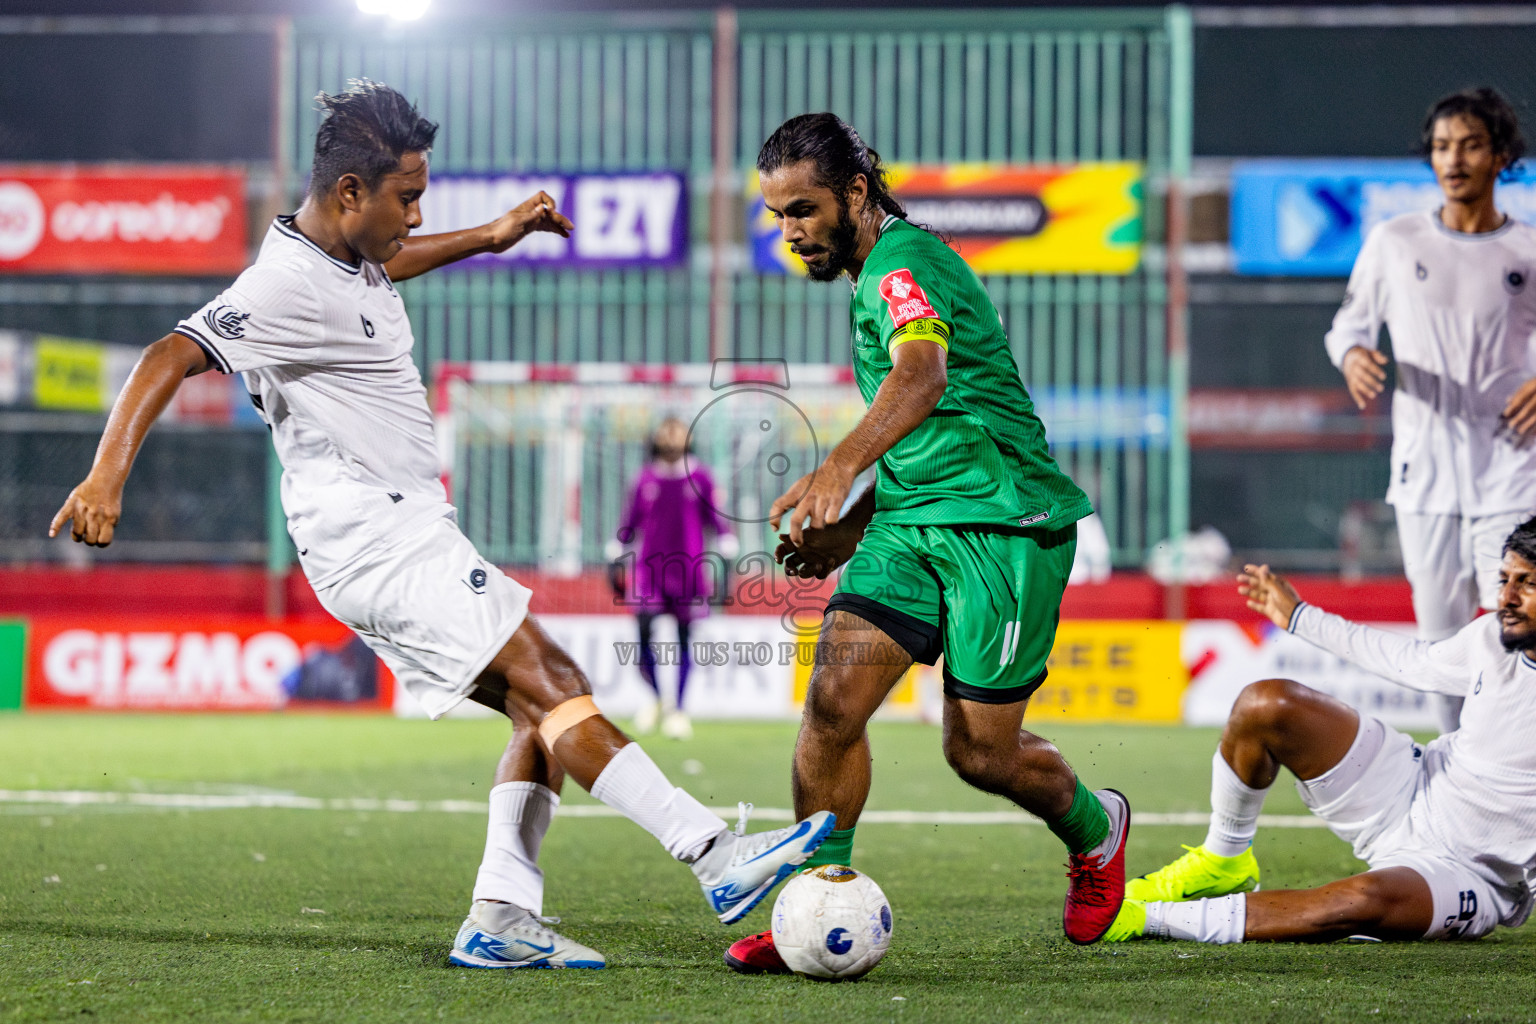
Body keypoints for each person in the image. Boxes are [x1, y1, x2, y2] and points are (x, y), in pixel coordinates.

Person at [49, 81, 833, 970]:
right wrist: (105, 477)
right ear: (351, 192)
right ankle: (713, 855)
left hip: (397, 532)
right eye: (408, 198)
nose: (417, 217)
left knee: (539, 709)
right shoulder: (280, 285)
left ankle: (500, 916)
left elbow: (387, 268)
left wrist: (494, 236)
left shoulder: (345, 257)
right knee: (553, 677)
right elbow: (169, 353)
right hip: (377, 539)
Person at [723, 113, 1130, 974]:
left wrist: (836, 469)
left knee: (980, 754)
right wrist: (857, 521)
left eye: (803, 210)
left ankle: (1099, 832)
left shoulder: (904, 262)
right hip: (910, 525)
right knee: (833, 702)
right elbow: (928, 432)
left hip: (1004, 526)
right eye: (778, 217)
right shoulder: (871, 274)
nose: (791, 232)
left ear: (856, 193)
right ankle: (815, 898)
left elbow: (923, 375)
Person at [1107, 516, 1536, 945]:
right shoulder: (1490, 638)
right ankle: (1224, 858)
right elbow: (1409, 660)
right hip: (1411, 788)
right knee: (1267, 705)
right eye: (1504, 579)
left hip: (1471, 876)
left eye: (1526, 583)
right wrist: (1299, 616)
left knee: (1358, 903)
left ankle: (1146, 918)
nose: (1507, 598)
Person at [1325, 87, 1536, 733]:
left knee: (1520, 622)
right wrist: (1354, 355)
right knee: (1440, 639)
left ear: (1500, 154)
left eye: (1471, 144)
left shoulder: (1527, 251)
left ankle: (1519, 759)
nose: (1455, 158)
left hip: (1512, 468)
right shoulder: (1395, 241)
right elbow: (1346, 327)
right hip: (1424, 473)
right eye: (1443, 146)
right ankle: (1457, 760)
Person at [610, 417, 737, 740]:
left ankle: (678, 710)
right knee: (642, 632)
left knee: (683, 640)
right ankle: (656, 697)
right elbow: (630, 522)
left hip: (689, 572)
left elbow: (717, 522)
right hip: (650, 572)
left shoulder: (700, 478)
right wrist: (615, 553)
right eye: (665, 430)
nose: (671, 435)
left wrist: (727, 552)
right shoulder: (645, 479)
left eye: (677, 430)